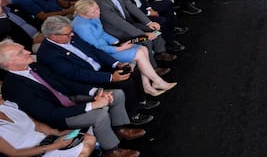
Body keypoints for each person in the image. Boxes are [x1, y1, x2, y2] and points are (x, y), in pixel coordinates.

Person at [0, 40, 144, 157]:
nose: (28, 52)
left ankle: (120, 129)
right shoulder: (14, 87)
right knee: (99, 115)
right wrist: (91, 106)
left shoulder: (35, 66)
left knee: (115, 94)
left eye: (24, 48)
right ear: (8, 63)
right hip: (59, 116)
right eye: (20, 52)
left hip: (67, 99)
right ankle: (111, 151)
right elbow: (50, 114)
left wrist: (96, 92)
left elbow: (65, 83)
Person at [37, 16, 155, 125]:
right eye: (68, 34)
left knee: (131, 70)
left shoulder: (68, 36)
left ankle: (141, 101)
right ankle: (133, 115)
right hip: (87, 80)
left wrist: (116, 63)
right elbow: (76, 74)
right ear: (54, 36)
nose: (72, 35)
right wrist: (110, 77)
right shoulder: (48, 55)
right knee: (125, 83)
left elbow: (93, 50)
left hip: (99, 68)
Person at [71, 0, 176, 96]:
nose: (98, 12)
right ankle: (158, 81)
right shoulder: (81, 27)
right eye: (94, 11)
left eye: (97, 8)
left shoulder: (92, 16)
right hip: (103, 54)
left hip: (110, 47)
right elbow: (96, 49)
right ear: (83, 14)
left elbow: (102, 33)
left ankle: (147, 85)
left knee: (143, 49)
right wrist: (120, 48)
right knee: (139, 53)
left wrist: (116, 42)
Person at [0, 93, 97, 157]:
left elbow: (37, 125)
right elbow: (14, 153)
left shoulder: (7, 106)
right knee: (85, 150)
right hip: (33, 153)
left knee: (90, 139)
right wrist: (55, 146)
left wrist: (57, 133)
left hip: (46, 141)